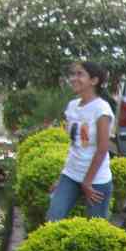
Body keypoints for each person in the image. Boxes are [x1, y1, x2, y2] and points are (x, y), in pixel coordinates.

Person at [46, 61, 115, 221]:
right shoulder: (72, 106)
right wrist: (61, 178)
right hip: (71, 175)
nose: (73, 78)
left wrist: (87, 182)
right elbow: (75, 145)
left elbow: (102, 149)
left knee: (95, 231)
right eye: (73, 74)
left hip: (96, 180)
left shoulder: (101, 109)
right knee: (52, 221)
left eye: (80, 74)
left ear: (94, 80)